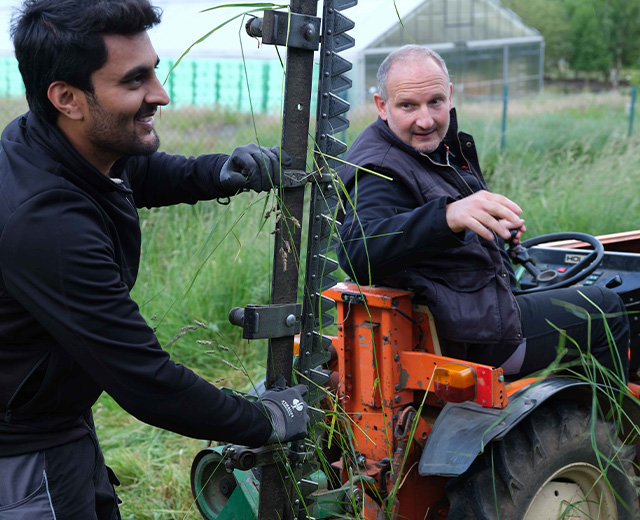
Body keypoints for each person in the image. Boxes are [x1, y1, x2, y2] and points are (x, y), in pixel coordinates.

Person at [0, 0, 308, 518]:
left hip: (56, 413)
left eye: (155, 73)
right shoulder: (46, 224)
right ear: (68, 98)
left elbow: (131, 173)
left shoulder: (41, 140)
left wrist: (219, 172)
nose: (159, 96)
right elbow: (146, 383)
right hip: (24, 448)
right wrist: (264, 419)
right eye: (134, 82)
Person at [338, 44, 630, 383]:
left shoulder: (429, 147)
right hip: (474, 338)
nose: (426, 119)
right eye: (408, 105)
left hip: (470, 311)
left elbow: (433, 230)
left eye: (435, 101)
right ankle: (612, 430)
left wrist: (485, 226)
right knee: (606, 309)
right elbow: (358, 250)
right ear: (382, 106)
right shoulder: (381, 166)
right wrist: (448, 216)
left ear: (449, 94)